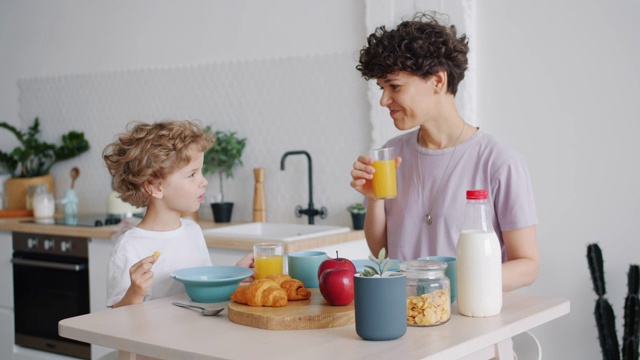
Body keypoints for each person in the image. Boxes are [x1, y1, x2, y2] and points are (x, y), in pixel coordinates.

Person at [350, 12, 539, 291]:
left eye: (394, 86)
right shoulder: (391, 154)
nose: (383, 100)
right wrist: (375, 200)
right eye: (381, 88)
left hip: (473, 321)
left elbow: (527, 264)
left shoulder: (499, 162)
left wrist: (449, 286)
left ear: (438, 81)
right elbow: (385, 251)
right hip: (408, 321)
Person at [102, 120, 254, 308]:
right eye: (192, 174)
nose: (204, 181)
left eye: (201, 172)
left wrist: (237, 274)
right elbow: (115, 321)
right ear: (155, 187)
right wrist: (134, 294)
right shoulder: (130, 247)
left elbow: (203, 289)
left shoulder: (193, 230)